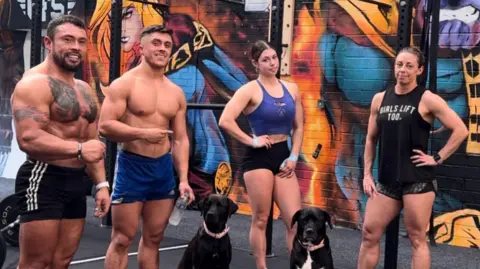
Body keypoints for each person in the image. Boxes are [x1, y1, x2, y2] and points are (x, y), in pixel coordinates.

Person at [10, 15, 111, 269]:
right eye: (67, 40)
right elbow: (29, 138)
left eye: (80, 41)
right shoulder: (33, 84)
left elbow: (91, 139)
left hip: (76, 181)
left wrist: (101, 184)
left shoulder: (84, 88)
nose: (76, 47)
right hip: (43, 178)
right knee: (36, 263)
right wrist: (78, 149)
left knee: (62, 261)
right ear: (48, 42)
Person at [358, 47, 469, 269]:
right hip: (387, 182)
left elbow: (460, 130)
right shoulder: (380, 99)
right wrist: (367, 175)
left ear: (419, 70)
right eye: (399, 64)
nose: (403, 70)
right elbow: (371, 139)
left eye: (409, 66)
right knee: (369, 233)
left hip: (417, 181)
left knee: (417, 240)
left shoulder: (428, 99)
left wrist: (437, 158)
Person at [98, 24, 195, 269]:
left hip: (162, 169)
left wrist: (183, 178)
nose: (162, 49)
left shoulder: (175, 93)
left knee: (153, 239)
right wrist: (142, 133)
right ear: (141, 47)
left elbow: (181, 139)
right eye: (156, 43)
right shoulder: (124, 84)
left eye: (167, 45)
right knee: (122, 239)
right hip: (133, 166)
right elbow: (105, 126)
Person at [218, 40, 304, 269]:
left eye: (274, 58)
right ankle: (261, 266)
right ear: (255, 63)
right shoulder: (249, 90)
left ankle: (298, 265)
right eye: (265, 59)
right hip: (258, 159)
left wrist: (294, 156)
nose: (271, 63)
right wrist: (251, 140)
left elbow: (299, 127)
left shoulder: (292, 89)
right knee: (261, 218)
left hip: (283, 156)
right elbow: (225, 120)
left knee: (294, 221)